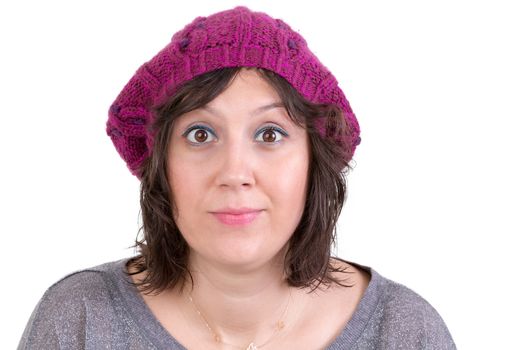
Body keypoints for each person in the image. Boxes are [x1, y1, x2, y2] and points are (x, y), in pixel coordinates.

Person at [18, 6, 456, 350]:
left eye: (269, 134)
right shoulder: (80, 321)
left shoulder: (404, 331)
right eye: (201, 134)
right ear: (161, 166)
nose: (234, 173)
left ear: (312, 162)